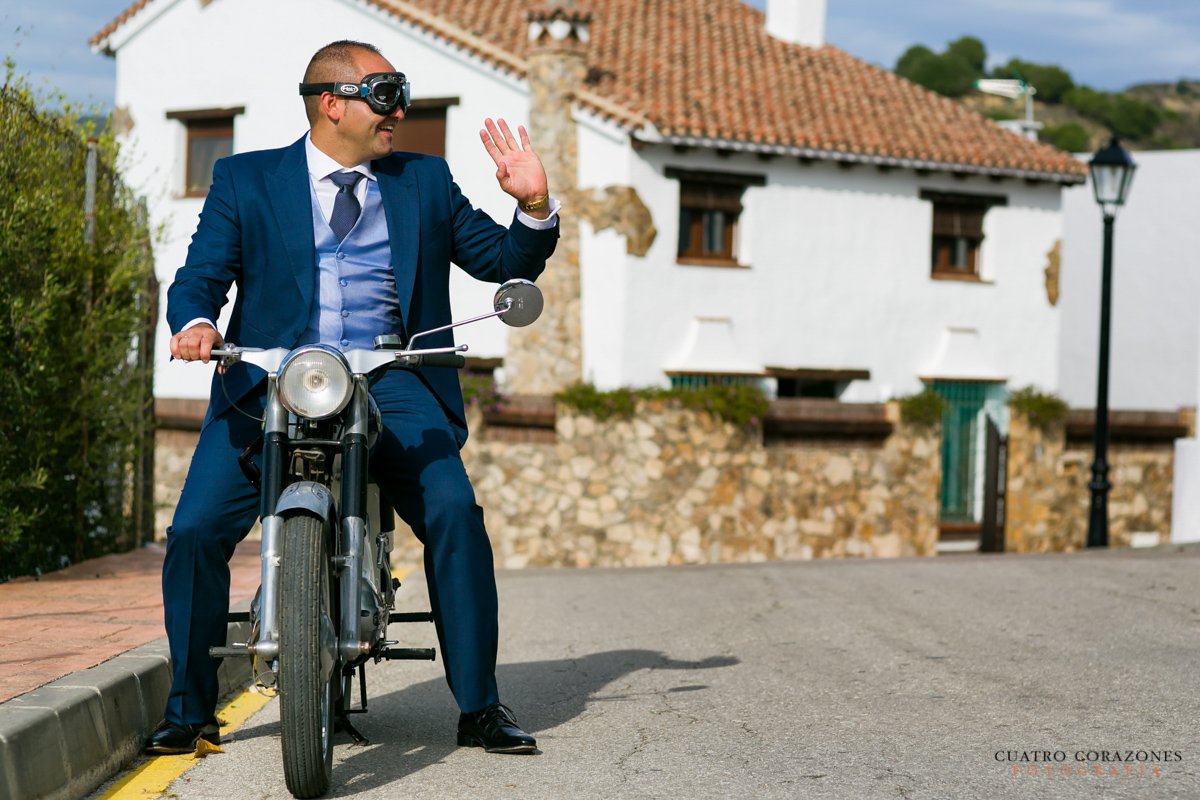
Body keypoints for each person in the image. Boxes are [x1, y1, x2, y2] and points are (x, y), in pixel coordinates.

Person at [145, 39, 559, 756]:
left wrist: (533, 204)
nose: (398, 108)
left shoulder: (424, 181)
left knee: (457, 513)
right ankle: (188, 710)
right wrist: (198, 323)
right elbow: (200, 273)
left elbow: (501, 262)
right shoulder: (245, 180)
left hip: (392, 376)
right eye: (383, 92)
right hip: (271, 378)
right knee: (193, 532)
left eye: (401, 92)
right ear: (330, 104)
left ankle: (481, 706)